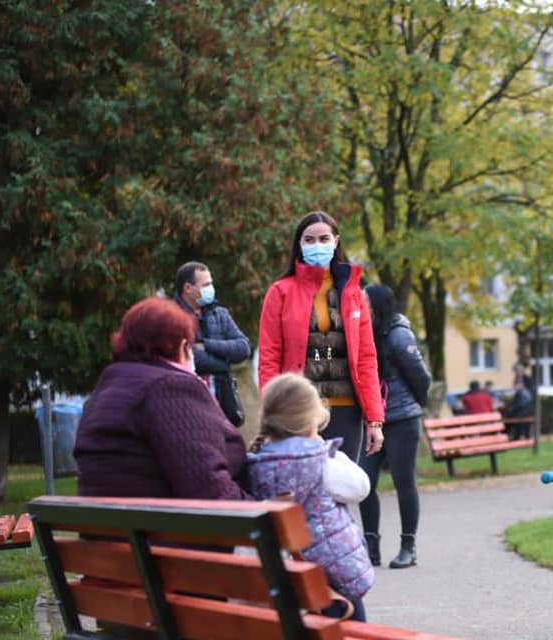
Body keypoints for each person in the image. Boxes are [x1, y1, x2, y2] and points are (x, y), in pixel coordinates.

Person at [75, 297, 249, 500]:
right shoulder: (171, 388)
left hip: (117, 527)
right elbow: (209, 490)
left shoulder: (111, 385)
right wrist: (269, 510)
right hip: (166, 529)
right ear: (183, 345)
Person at [244, 373, 374, 622]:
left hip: (285, 579)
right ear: (311, 421)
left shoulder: (256, 464)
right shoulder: (320, 461)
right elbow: (360, 487)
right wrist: (327, 449)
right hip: (331, 580)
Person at [258, 211, 385, 462]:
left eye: (324, 239)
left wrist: (375, 419)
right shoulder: (280, 292)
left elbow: (366, 359)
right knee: (301, 485)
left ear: (336, 242)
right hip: (298, 408)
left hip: (346, 408)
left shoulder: (353, 294)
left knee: (341, 489)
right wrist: (270, 411)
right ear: (299, 245)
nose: (317, 245)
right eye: (309, 240)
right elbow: (269, 357)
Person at [359, 284, 432, 570]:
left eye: (364, 301)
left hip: (402, 418)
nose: (359, 305)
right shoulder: (361, 331)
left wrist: (414, 404)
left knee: (404, 481)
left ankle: (408, 546)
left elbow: (421, 376)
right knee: (364, 482)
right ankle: (370, 547)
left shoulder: (398, 334)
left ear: (377, 305)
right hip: (370, 420)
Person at [174, 261, 251, 426]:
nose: (211, 288)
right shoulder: (173, 317)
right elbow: (193, 359)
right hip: (190, 402)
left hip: (224, 403)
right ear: (188, 288)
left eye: (211, 283)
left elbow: (243, 348)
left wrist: (207, 345)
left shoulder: (219, 314)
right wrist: (225, 363)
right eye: (206, 284)